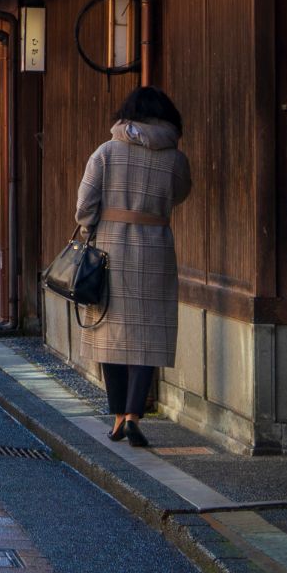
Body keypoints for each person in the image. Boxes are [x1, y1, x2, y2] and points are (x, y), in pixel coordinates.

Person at [74, 86, 192, 448]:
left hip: (110, 248)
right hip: (156, 247)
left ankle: (116, 416)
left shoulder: (106, 152)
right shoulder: (175, 157)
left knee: (108, 330)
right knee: (148, 335)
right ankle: (134, 415)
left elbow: (85, 204)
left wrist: (90, 226)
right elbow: (181, 193)